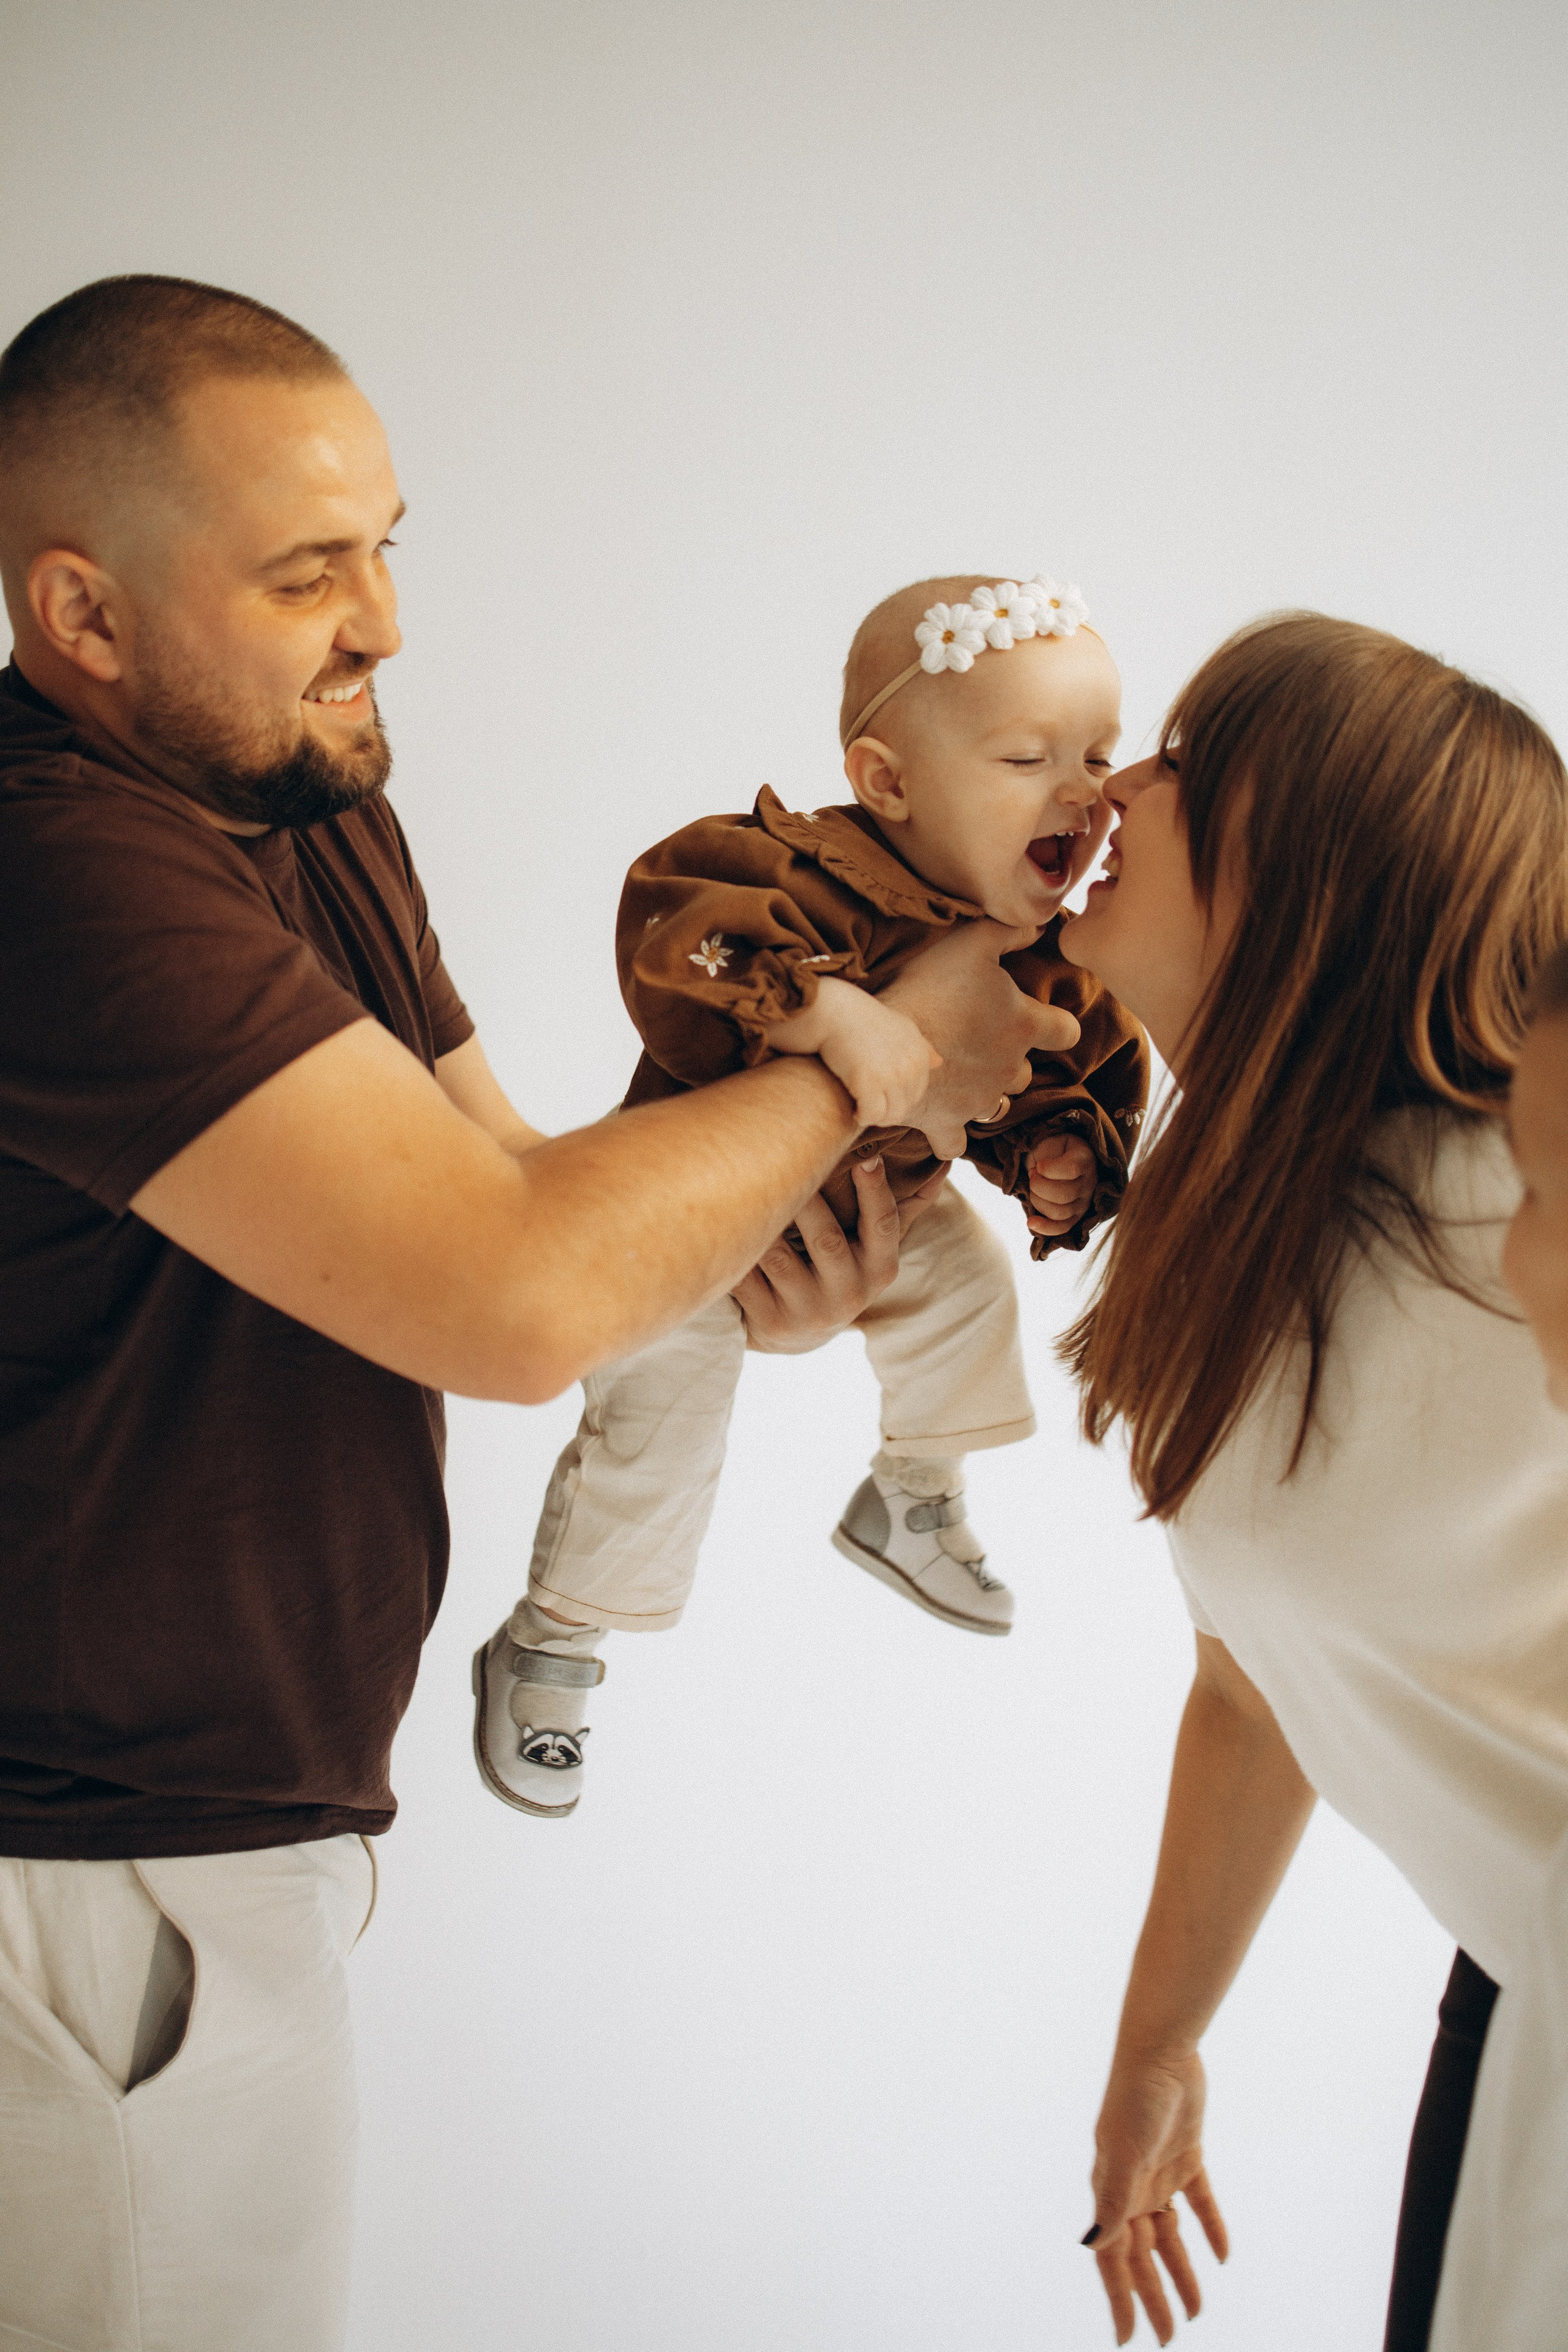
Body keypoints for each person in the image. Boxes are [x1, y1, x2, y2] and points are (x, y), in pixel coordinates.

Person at [0, 276, 1060, 2352]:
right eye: (311, 573)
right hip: (80, 1885)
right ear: (85, 614)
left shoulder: (307, 814)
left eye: (390, 545)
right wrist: (874, 1054)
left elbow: (512, 1212)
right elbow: (510, 1293)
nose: (384, 620)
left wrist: (734, 1273)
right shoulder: (57, 869)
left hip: (207, 1853)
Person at [1050, 612, 1568, 2348]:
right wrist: (1157, 2044)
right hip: (1521, 1998)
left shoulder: (1521, 1214)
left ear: (1317, 867)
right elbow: (1250, 1687)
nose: (1122, 783)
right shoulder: (1259, 1221)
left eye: (1190, 761)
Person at [472, 575, 1148, 1817]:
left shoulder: (1036, 947)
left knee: (968, 1286)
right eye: (1026, 756)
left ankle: (915, 1494)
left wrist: (1059, 1158)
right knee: (660, 1418)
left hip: (878, 1210)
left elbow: (1068, 1059)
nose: (1084, 793)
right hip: (688, 1205)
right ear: (887, 782)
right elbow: (672, 925)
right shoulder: (797, 872)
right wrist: (820, 1006)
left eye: (1099, 757)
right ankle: (559, 1636)